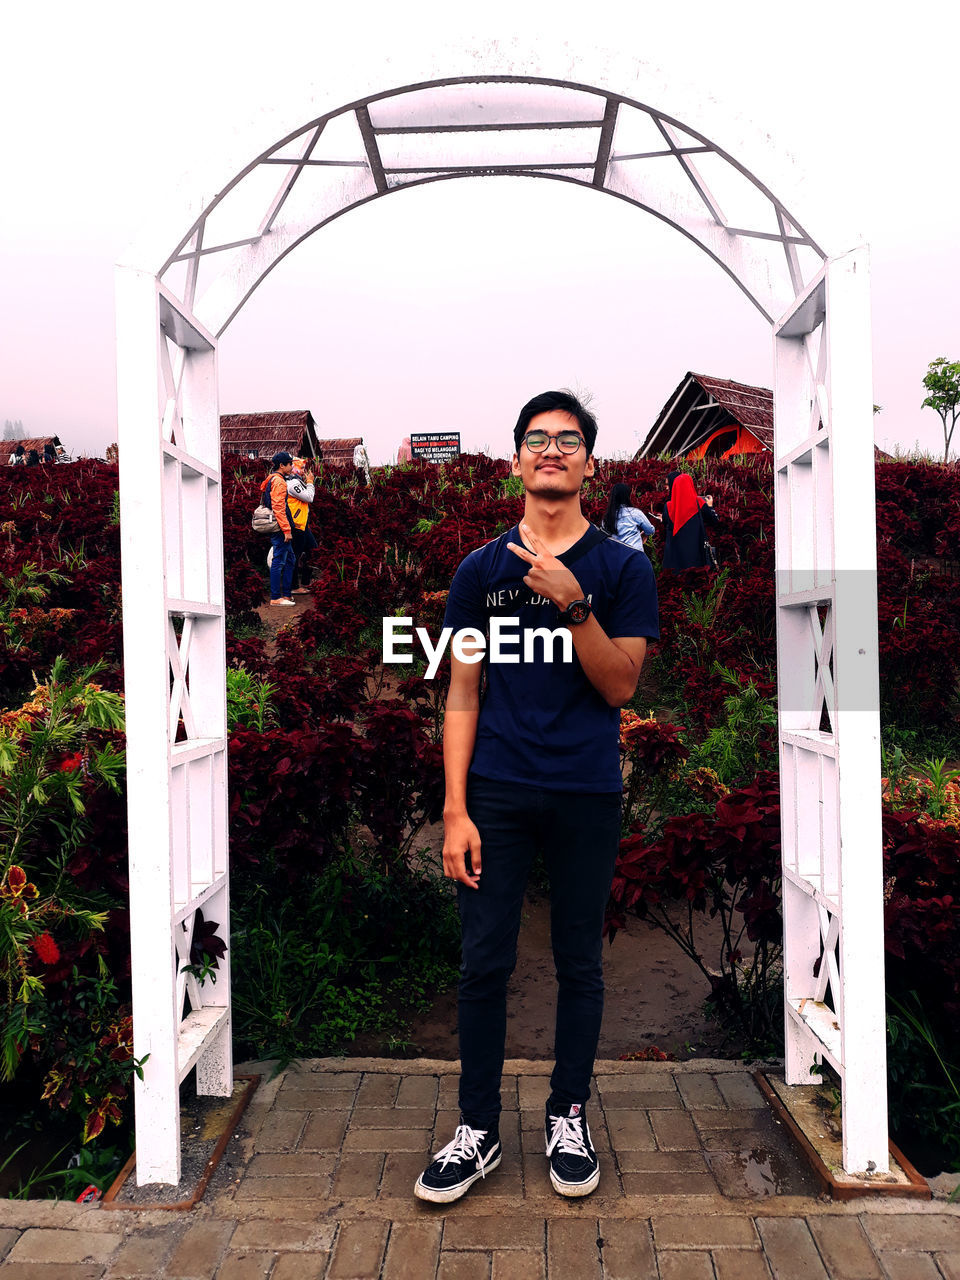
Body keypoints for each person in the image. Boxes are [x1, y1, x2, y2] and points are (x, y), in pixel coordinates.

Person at [414, 390, 659, 1205]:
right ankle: (477, 1128)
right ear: (516, 461)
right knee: (483, 961)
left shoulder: (623, 570)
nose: (551, 450)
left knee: (578, 963)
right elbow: (462, 693)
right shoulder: (480, 571)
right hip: (497, 794)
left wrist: (573, 601)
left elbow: (621, 685)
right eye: (536, 440)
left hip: (586, 792)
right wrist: (454, 808)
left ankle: (568, 1115)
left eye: (568, 440)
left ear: (590, 463)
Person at [661, 472, 719, 571]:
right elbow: (714, 520)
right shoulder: (699, 503)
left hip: (675, 558)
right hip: (696, 555)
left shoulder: (668, 506)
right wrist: (710, 506)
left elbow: (666, 522)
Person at [260, 452, 296, 605]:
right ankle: (276, 597)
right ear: (282, 465)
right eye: (289, 464)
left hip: (278, 526)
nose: (292, 466)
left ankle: (286, 595)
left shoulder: (271, 479)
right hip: (280, 527)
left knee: (290, 559)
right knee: (279, 560)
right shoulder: (279, 482)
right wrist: (286, 530)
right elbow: (278, 507)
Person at [286, 458, 317, 594]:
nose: (304, 471)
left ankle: (305, 581)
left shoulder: (296, 481)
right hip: (296, 523)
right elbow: (309, 497)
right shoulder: (292, 483)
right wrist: (310, 482)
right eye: (302, 468)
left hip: (302, 523)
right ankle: (294, 587)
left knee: (313, 549)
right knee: (295, 554)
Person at [601, 482, 655, 553]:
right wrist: (644, 534)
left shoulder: (606, 518)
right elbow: (650, 530)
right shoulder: (635, 513)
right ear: (627, 496)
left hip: (616, 556)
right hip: (634, 554)